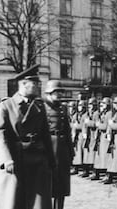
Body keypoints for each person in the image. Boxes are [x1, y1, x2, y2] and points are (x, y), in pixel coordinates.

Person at [0, 64, 55, 209]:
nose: (38, 86)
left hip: (37, 158)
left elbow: (45, 134)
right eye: (35, 83)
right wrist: (6, 159)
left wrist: (51, 160)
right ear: (24, 84)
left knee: (38, 202)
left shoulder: (39, 105)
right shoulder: (7, 105)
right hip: (15, 158)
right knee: (14, 200)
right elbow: (0, 134)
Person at [43, 80, 74, 209]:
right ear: (49, 92)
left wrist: (71, 151)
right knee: (48, 183)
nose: (59, 95)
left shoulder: (63, 108)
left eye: (60, 92)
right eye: (57, 92)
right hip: (49, 146)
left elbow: (67, 130)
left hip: (62, 149)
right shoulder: (42, 107)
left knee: (61, 183)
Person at [94, 97, 112, 182]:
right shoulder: (103, 113)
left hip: (105, 137)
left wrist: (98, 125)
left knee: (106, 157)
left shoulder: (109, 113)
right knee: (102, 157)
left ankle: (108, 175)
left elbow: (105, 126)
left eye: (103, 104)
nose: (102, 106)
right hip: (101, 137)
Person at [82, 98, 99, 178]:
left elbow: (97, 124)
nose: (90, 107)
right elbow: (83, 124)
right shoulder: (87, 114)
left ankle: (94, 172)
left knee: (93, 155)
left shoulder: (96, 113)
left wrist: (89, 122)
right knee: (87, 154)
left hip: (93, 135)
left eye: (91, 105)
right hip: (88, 136)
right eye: (89, 105)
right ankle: (86, 171)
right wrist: (84, 132)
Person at [71, 100, 87, 176]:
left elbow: (83, 125)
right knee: (76, 152)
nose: (80, 107)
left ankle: (84, 168)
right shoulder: (76, 115)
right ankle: (75, 167)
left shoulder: (85, 115)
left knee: (82, 152)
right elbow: (72, 124)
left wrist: (76, 126)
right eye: (79, 106)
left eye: (81, 106)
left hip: (81, 134)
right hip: (76, 135)